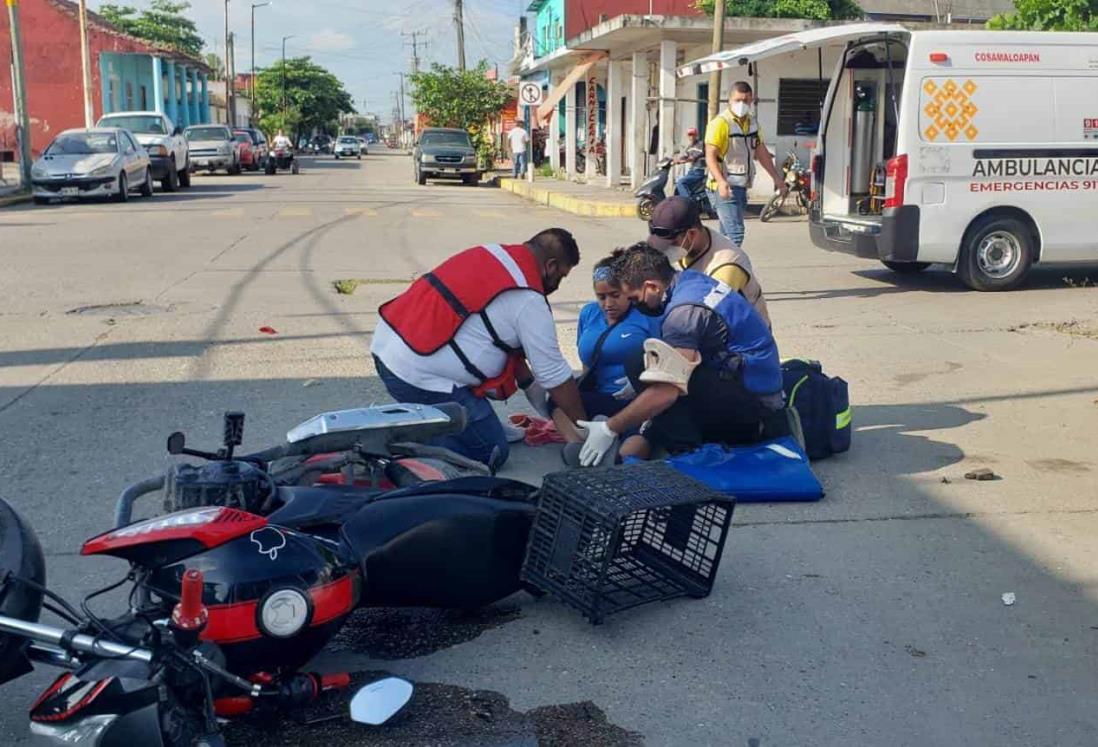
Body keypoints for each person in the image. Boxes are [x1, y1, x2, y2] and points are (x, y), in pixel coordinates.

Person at [371, 230, 588, 470]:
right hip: (416, 376)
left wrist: (554, 414)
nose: (558, 285)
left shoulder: (492, 255)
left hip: (387, 349)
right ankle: (398, 438)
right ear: (551, 266)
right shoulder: (528, 300)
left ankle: (441, 422)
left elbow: (525, 375)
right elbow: (554, 376)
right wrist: (586, 426)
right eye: (561, 276)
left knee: (486, 418)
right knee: (491, 451)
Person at [576, 245, 784, 467]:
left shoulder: (683, 313)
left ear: (652, 286)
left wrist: (610, 428)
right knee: (648, 363)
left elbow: (667, 391)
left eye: (635, 299)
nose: (637, 306)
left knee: (646, 368)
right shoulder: (689, 280)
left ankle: (688, 453)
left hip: (755, 409)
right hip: (752, 388)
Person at [552, 255, 659, 447]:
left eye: (615, 295)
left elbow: (664, 359)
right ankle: (579, 445)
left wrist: (643, 380)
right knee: (557, 399)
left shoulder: (647, 317)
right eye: (601, 297)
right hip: (601, 396)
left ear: (628, 290)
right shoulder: (589, 313)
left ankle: (616, 448)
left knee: (632, 449)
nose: (608, 304)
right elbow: (586, 364)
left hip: (636, 402)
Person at [646, 197, 771, 327]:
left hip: (742, 338)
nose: (666, 249)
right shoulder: (692, 244)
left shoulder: (726, 266)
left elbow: (705, 317)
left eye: (672, 243)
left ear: (692, 234)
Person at [704, 81, 788, 246]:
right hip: (723, 186)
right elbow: (710, 156)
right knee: (735, 234)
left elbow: (761, 153)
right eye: (738, 100)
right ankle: (732, 269)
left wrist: (777, 179)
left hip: (741, 185)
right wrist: (721, 182)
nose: (741, 104)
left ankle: (718, 268)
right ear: (729, 100)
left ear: (751, 101)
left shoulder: (752, 123)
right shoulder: (721, 123)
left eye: (746, 100)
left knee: (726, 237)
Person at [673, 127, 706, 199]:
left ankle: (688, 202)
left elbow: (694, 157)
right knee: (677, 188)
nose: (691, 137)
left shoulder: (700, 144)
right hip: (692, 171)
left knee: (681, 183)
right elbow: (685, 156)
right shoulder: (689, 147)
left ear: (696, 135)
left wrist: (683, 161)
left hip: (699, 171)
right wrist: (674, 160)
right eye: (690, 135)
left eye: (693, 134)